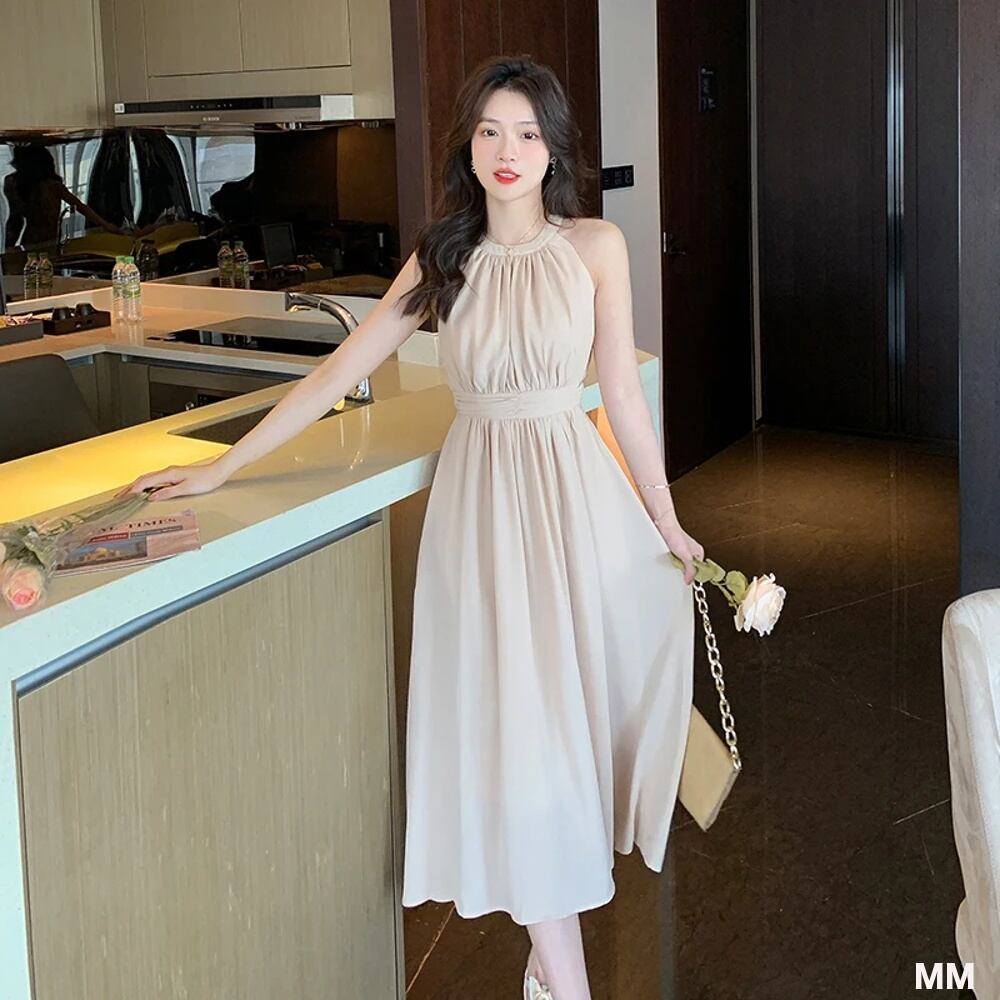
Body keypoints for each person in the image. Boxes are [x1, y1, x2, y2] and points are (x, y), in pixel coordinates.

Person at [117, 55, 702, 1000]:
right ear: (467, 147)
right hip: (481, 517)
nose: (507, 151)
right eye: (489, 131)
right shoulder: (444, 256)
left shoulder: (595, 246)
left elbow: (623, 397)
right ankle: (564, 978)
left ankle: (550, 963)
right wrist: (223, 466)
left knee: (569, 732)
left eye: (527, 133)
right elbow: (338, 369)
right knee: (516, 736)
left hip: (572, 504)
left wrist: (666, 519)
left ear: (554, 148)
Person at [3, 143, 124, 251]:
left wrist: (7, 247)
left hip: (31, 243)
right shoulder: (52, 186)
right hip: (49, 242)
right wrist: (105, 225)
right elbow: (80, 207)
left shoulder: (13, 183)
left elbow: (15, 221)